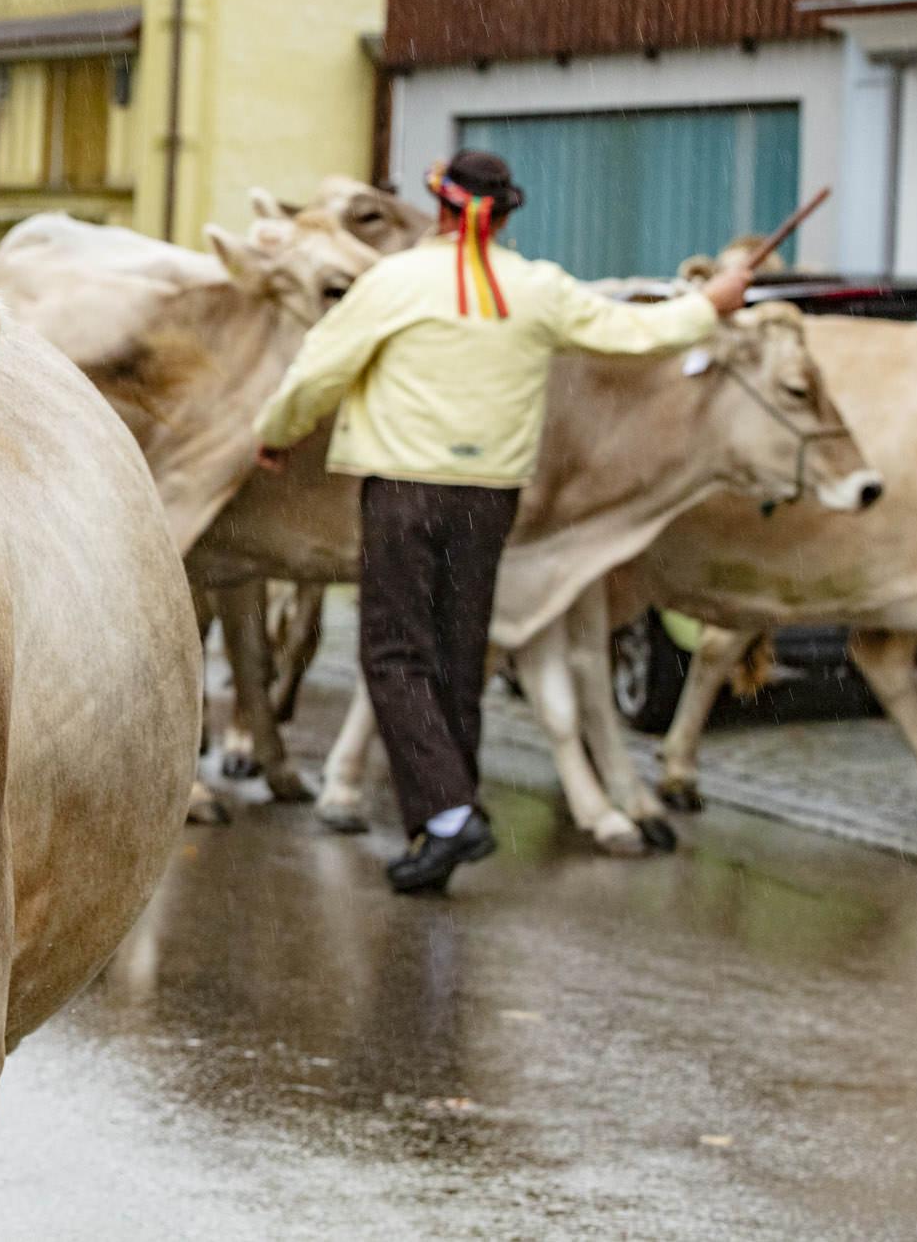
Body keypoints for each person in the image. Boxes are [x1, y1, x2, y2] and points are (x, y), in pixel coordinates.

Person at [252, 150, 753, 894]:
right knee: (459, 653)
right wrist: (710, 304)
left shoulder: (394, 281)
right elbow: (632, 332)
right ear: (506, 214)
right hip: (489, 497)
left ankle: (449, 814)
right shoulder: (538, 288)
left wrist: (277, 430)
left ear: (441, 207)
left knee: (394, 653)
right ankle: (441, 824)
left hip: (404, 488)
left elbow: (321, 367)